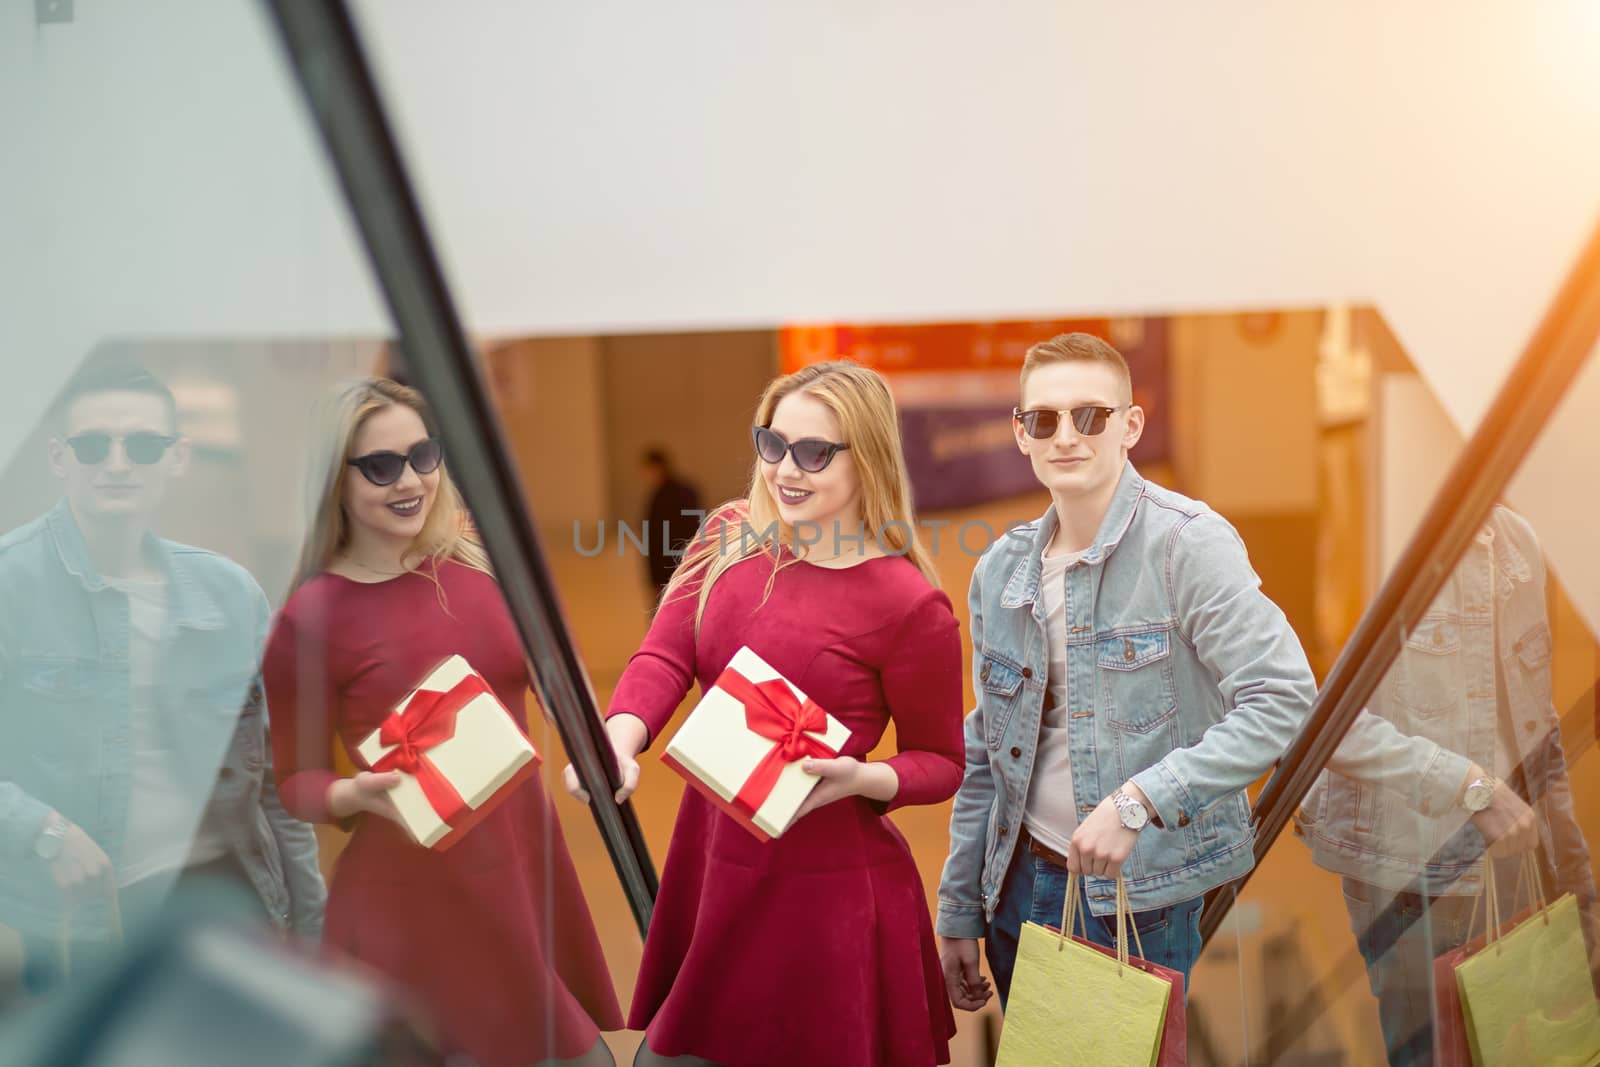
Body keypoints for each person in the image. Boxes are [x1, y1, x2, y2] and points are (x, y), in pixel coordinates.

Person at [565, 361, 965, 1067]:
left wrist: (861, 779)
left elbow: (942, 761)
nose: (786, 469)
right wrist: (618, 738)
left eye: (814, 452)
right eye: (772, 444)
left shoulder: (908, 602)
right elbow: (664, 655)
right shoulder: (727, 535)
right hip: (718, 862)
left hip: (830, 892)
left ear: (865, 456)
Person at [935, 331, 1321, 1012]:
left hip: (1138, 900)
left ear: (1131, 425)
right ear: (1020, 433)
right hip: (1018, 885)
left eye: (1091, 415)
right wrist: (960, 905)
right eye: (1044, 419)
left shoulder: (1186, 543)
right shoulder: (1000, 569)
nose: (1067, 436)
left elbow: (1284, 697)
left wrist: (1138, 800)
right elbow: (987, 754)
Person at [261, 378, 622, 1067]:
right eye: (380, 465)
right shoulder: (312, 615)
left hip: (518, 868)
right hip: (411, 899)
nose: (410, 480)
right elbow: (292, 780)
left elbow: (567, 691)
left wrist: (599, 742)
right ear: (333, 479)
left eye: (423, 455)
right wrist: (357, 794)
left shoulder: (488, 566)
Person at [0, 357, 324, 995]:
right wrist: (41, 829)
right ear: (60, 458)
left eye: (143, 445)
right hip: (69, 937)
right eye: (95, 445)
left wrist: (312, 927)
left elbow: (272, 785)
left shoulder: (229, 594)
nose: (118, 463)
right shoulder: (9, 583)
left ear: (177, 458)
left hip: (225, 914)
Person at [1296, 505, 1599, 1066]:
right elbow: (1319, 723)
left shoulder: (1518, 542)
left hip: (1514, 870)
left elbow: (1538, 725)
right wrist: (1471, 787)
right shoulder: (1379, 537)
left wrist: (1578, 885)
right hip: (1409, 876)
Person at [639, 447, 703, 601]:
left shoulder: (662, 497)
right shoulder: (687, 491)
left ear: (656, 467)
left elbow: (656, 538)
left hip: (668, 569)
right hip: (688, 565)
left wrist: (655, 578)